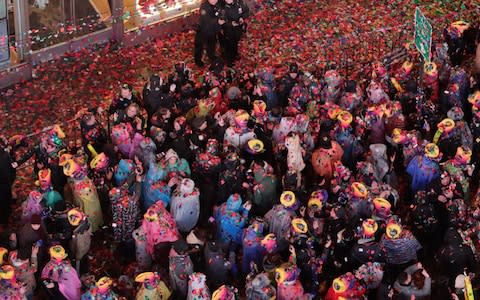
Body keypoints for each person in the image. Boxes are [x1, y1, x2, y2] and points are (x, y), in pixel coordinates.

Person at [219, 0, 250, 67]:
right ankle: (229, 61)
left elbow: (246, 11)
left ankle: (235, 54)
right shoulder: (221, 6)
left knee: (235, 41)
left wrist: (242, 17)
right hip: (227, 29)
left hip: (238, 28)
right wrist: (230, 23)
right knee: (228, 45)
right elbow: (220, 20)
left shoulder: (240, 2)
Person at [194, 0, 223, 67]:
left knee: (211, 44)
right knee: (199, 46)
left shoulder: (219, 4)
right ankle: (198, 60)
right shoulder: (204, 6)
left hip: (213, 30)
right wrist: (217, 21)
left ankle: (211, 56)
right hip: (202, 30)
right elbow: (206, 19)